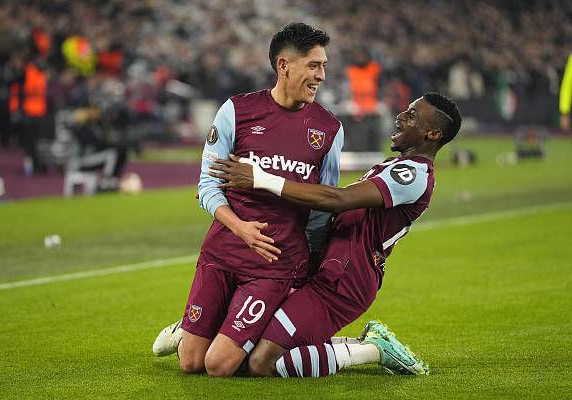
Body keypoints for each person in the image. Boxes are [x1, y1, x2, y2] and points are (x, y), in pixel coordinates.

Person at [206, 92, 461, 377]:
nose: (401, 117)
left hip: (347, 281)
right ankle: (354, 343)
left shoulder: (414, 176)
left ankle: (374, 350)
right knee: (247, 346)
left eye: (412, 115)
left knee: (261, 363)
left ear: (433, 134)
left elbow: (337, 200)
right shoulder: (394, 165)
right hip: (328, 268)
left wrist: (262, 179)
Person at [152, 23, 344, 377]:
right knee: (191, 362)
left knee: (218, 365)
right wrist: (240, 228)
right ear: (284, 66)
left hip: (275, 262)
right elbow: (207, 186)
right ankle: (190, 331)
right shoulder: (237, 111)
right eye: (314, 65)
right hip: (223, 250)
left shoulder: (329, 130)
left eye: (324, 66)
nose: (321, 75)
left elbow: (321, 206)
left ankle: (247, 328)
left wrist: (312, 262)